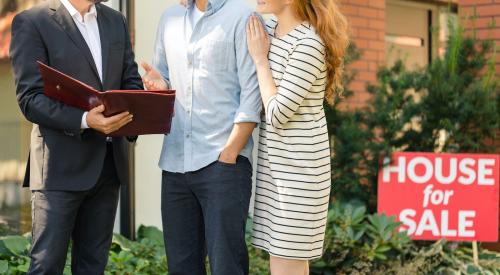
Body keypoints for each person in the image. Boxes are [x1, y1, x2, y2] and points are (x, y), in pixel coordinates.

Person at [9, 0, 143, 273]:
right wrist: (85, 120)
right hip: (58, 170)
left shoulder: (115, 20)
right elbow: (30, 99)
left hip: (108, 167)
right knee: (47, 266)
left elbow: (130, 82)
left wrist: (143, 99)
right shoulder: (33, 22)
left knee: (93, 267)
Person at [141, 0, 261, 274]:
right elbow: (166, 84)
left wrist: (229, 153)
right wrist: (160, 86)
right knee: (181, 268)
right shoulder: (170, 18)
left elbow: (252, 95)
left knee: (226, 266)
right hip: (175, 164)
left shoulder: (243, 15)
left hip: (223, 163)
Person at [246, 0, 349, 274]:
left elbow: (278, 113)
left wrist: (260, 60)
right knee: (282, 264)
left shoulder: (308, 44)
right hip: (275, 172)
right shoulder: (269, 28)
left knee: (285, 264)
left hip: (300, 175)